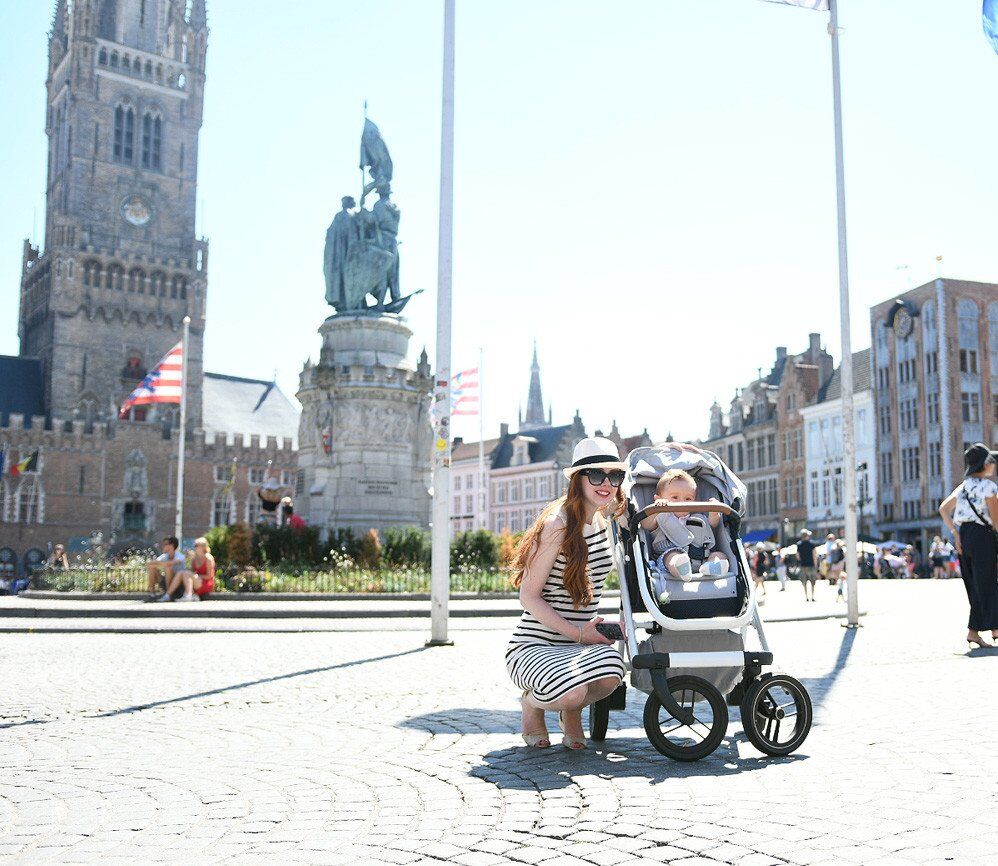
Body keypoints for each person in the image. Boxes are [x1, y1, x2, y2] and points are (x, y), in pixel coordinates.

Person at [507, 437, 627, 750]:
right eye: (596, 475)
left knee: (614, 674)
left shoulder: (604, 521)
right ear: (578, 479)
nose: (607, 483)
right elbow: (528, 596)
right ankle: (533, 706)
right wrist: (576, 633)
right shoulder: (556, 524)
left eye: (614, 476)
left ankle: (570, 714)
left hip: (581, 640)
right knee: (571, 691)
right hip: (537, 643)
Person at [939, 442, 998, 649]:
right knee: (990, 581)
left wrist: (955, 533)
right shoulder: (989, 487)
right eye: (991, 460)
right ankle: (994, 630)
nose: (994, 464)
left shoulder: (964, 486)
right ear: (984, 464)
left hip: (964, 537)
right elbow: (996, 521)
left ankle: (977, 631)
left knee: (974, 583)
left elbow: (944, 509)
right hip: (983, 536)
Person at [640, 469, 729, 597]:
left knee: (719, 554)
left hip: (702, 559)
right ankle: (681, 569)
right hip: (670, 557)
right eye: (675, 497)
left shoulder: (698, 518)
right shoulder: (661, 518)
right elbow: (646, 525)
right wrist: (656, 509)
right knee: (672, 557)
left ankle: (714, 566)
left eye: (688, 498)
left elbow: (713, 525)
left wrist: (714, 512)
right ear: (659, 499)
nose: (682, 502)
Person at [160, 537, 215, 602]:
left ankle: (188, 595)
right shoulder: (194, 559)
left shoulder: (208, 558)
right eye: (194, 545)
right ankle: (168, 595)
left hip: (205, 584)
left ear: (203, 546)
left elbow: (209, 576)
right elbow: (191, 572)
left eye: (197, 545)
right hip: (197, 581)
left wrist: (196, 575)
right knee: (182, 572)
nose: (195, 547)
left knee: (185, 573)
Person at [797, 528, 818, 602]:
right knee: (813, 582)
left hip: (803, 566)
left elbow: (798, 556)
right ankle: (812, 596)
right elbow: (814, 555)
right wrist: (816, 565)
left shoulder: (799, 545)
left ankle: (806, 597)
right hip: (811, 566)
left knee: (804, 582)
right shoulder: (812, 544)